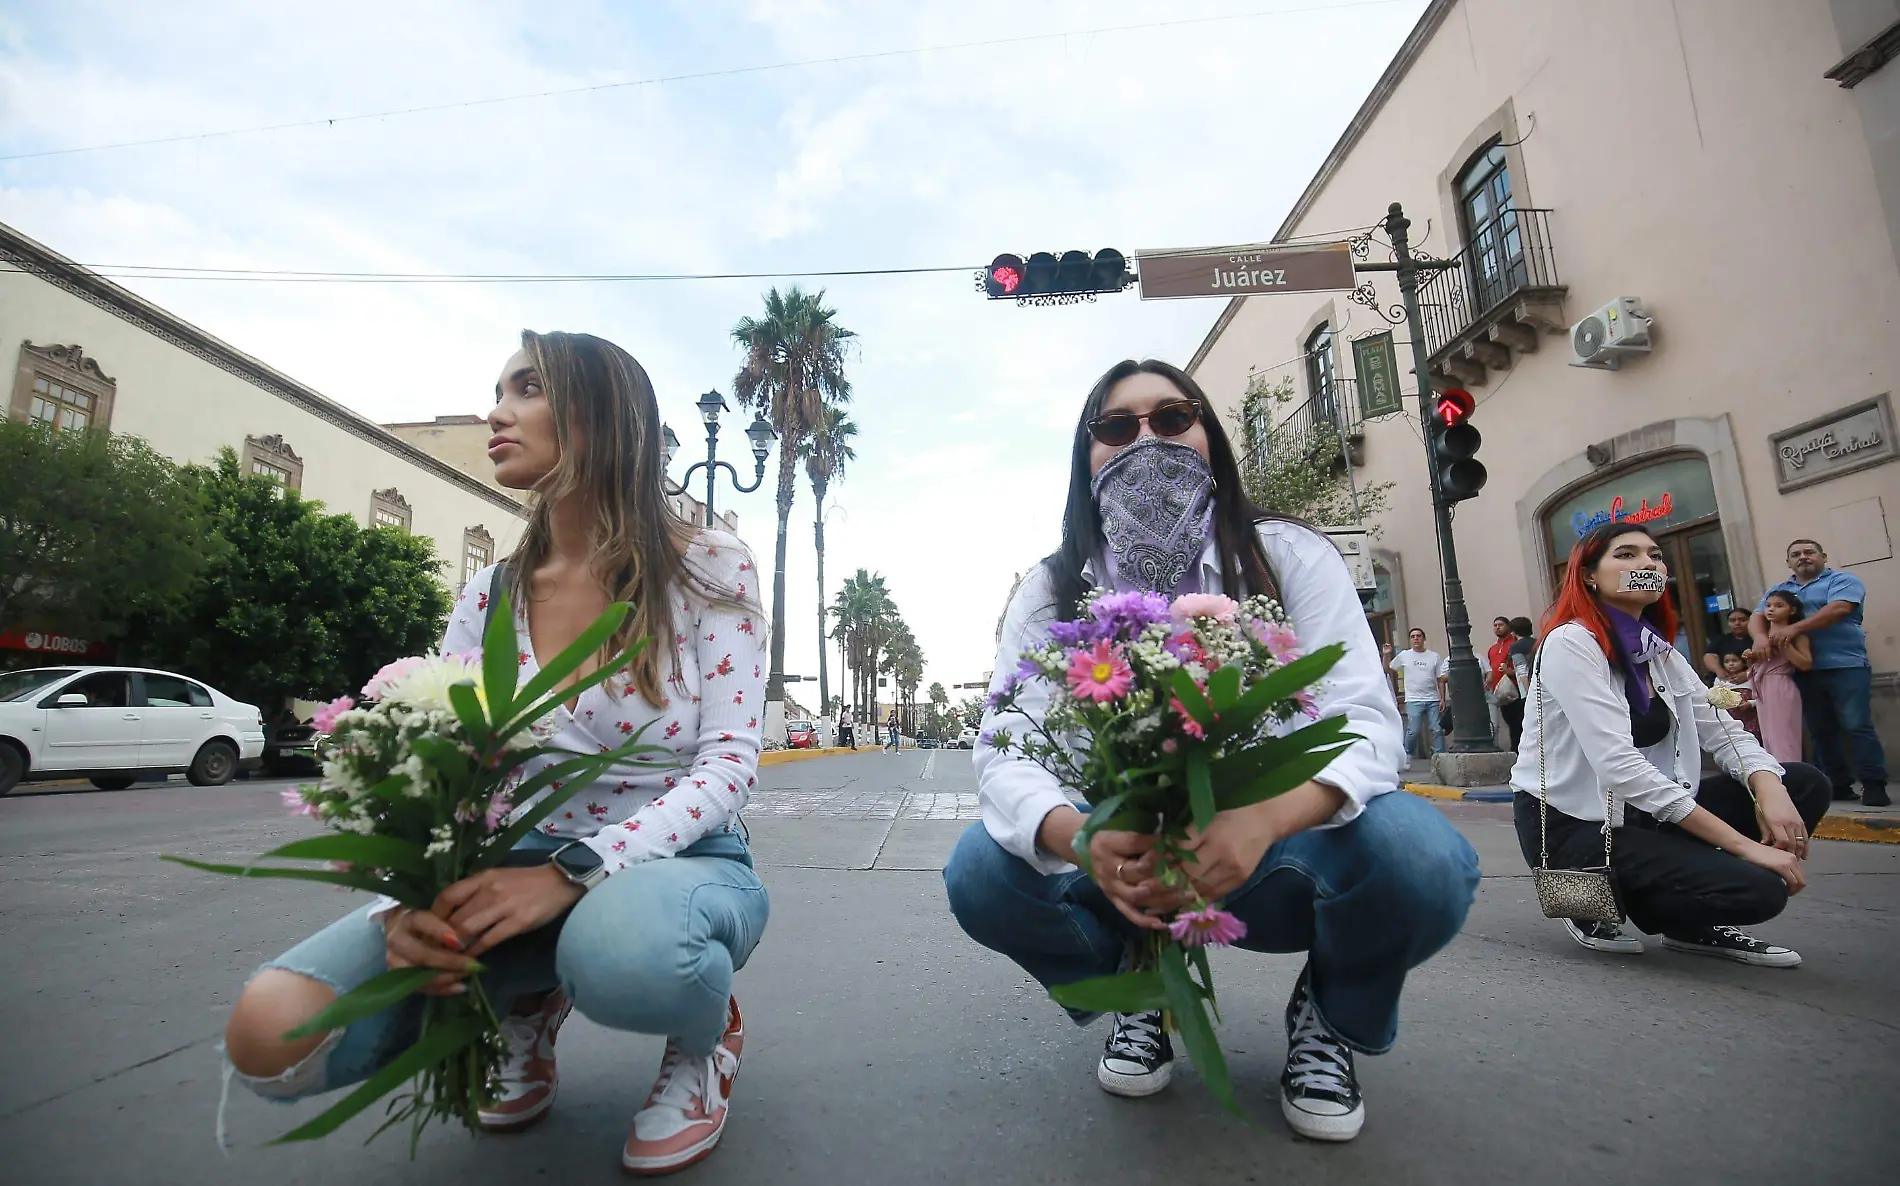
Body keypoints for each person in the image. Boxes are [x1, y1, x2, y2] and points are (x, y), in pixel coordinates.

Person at [220, 331, 771, 1175]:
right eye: (499, 390)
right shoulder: (492, 591)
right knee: (272, 1030)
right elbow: (455, 759)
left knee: (626, 955)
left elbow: (729, 765)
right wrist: (415, 899)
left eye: (527, 388)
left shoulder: (705, 565)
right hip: (507, 866)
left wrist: (570, 871)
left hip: (686, 865)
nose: (495, 410)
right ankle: (527, 1000)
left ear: (601, 416)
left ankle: (704, 1040)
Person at [943, 358, 1478, 1144]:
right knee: (981, 871)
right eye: (1117, 427)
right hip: (1127, 852)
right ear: (1084, 453)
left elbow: (1364, 716)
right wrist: (1079, 837)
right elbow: (1005, 745)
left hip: (1280, 845)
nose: (1145, 441)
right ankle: (1143, 990)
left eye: (1172, 418)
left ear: (1209, 435)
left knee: (1421, 860)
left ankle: (1332, 1014)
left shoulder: (1287, 557)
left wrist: (1264, 818)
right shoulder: (1055, 587)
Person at [1510, 521, 1830, 967]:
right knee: (1759, 890)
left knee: (1803, 782)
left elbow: (1725, 733)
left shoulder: (1659, 651)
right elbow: (1618, 766)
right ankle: (1598, 902)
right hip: (1579, 824)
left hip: (1647, 815)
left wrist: (1769, 789)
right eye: (1626, 555)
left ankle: (1687, 921)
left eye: (1655, 555)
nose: (1647, 563)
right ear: (1588, 575)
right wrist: (1744, 847)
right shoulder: (1571, 642)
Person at [1752, 539, 1888, 806]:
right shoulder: (1780, 589)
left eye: (1809, 552)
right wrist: (1759, 638)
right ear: (1789, 562)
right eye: (1796, 554)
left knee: (1856, 725)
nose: (1803, 557)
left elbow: (1838, 609)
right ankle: (1836, 784)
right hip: (1803, 670)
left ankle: (1873, 783)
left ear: (1823, 556)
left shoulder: (1843, 580)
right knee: (1821, 730)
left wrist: (1794, 628)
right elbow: (1757, 616)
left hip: (1845, 665)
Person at [1747, 590, 1810, 765]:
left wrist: (1785, 646)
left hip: (1780, 684)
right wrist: (1751, 657)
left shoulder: (1797, 635)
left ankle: (1792, 777)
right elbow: (1758, 664)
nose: (1771, 609)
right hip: (1762, 686)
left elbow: (1805, 663)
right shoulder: (1761, 637)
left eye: (1779, 605)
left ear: (1791, 610)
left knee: (1784, 737)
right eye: (1768, 606)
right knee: (1768, 737)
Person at [1389, 628, 1449, 759]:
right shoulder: (1405, 655)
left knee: (1437, 729)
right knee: (1414, 730)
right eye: (1413, 636)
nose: (1416, 638)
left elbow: (1440, 679)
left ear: (1424, 639)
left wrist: (1442, 699)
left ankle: (1440, 757)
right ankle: (1407, 754)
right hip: (1413, 699)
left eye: (1418, 636)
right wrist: (1387, 654)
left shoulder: (1434, 656)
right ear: (1410, 640)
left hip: (1433, 699)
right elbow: (1390, 667)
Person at [1501, 616, 1535, 751]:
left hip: (1527, 691)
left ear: (1513, 632)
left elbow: (1522, 671)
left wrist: (1529, 692)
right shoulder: (1538, 642)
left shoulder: (1516, 647)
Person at [1713, 653, 1762, 744]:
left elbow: (1760, 698)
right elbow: (1714, 698)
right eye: (1727, 661)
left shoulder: (1750, 679)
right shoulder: (1720, 680)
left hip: (1750, 719)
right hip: (1730, 718)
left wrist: (1750, 703)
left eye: (1734, 661)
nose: (1730, 664)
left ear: (1743, 663)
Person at [1485, 616, 1514, 748]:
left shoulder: (1513, 644)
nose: (1497, 627)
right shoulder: (1493, 648)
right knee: (1500, 722)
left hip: (1512, 689)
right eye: (1495, 625)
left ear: (1508, 626)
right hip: (1497, 690)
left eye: (1501, 625)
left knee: (1515, 722)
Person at [1701, 608, 1753, 683]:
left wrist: (1748, 674)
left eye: (1742, 620)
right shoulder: (1721, 640)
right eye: (1732, 620)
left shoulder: (1757, 639)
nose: (1737, 623)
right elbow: (1709, 656)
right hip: (1727, 683)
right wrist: (1719, 670)